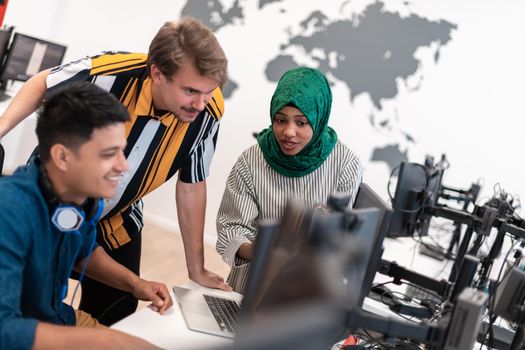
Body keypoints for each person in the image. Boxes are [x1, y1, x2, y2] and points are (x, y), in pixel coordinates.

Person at [0, 16, 231, 325]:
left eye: (209, 92)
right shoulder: (107, 74)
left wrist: (196, 268)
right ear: (157, 74)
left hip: (120, 213)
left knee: (119, 304)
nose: (202, 104)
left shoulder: (207, 106)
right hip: (57, 201)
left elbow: (192, 182)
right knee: (33, 294)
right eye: (190, 91)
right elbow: (43, 83)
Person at [0, 82, 172, 350]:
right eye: (108, 154)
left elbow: (82, 254)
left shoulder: (78, 200)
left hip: (59, 318)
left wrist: (135, 283)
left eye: (122, 151)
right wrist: (108, 340)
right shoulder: (9, 211)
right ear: (62, 157)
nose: (123, 165)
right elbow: (4, 332)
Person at [216, 67, 363, 293]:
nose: (288, 132)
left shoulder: (345, 164)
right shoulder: (251, 161)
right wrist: (263, 250)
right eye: (280, 120)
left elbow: (339, 236)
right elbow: (231, 228)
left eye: (301, 123)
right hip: (251, 288)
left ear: (318, 118)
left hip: (307, 294)